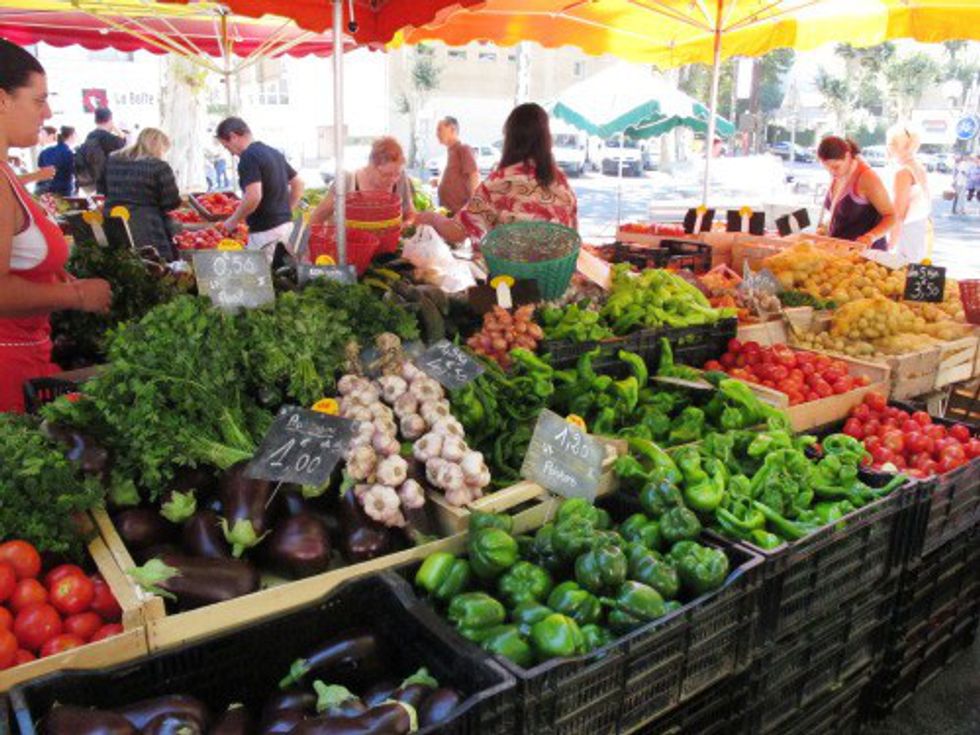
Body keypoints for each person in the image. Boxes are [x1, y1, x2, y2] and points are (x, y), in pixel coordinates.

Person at [0, 40, 111, 413]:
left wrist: (51, 277)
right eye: (38, 100)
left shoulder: (6, 174)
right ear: (2, 100)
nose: (46, 113)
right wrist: (75, 296)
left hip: (25, 357)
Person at [415, 103, 578, 245]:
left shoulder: (499, 181)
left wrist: (431, 218)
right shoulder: (561, 181)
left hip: (509, 271)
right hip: (557, 270)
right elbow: (573, 235)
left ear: (510, 139)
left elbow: (456, 232)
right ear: (546, 139)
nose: (437, 134)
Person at [215, 117, 304, 259]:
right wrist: (286, 211)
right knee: (283, 270)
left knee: (264, 272)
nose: (230, 153)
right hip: (286, 228)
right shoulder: (273, 152)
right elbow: (298, 183)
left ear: (233, 137)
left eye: (227, 147)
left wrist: (232, 221)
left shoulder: (248, 157)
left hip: (265, 233)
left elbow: (254, 196)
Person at [104, 128, 182, 261]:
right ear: (159, 146)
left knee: (118, 262)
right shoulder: (159, 166)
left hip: (113, 219)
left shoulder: (112, 160)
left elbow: (102, 188)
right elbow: (171, 202)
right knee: (154, 263)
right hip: (146, 225)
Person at [311, 136, 416, 225]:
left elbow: (410, 213)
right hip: (349, 243)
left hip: (390, 242)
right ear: (371, 165)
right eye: (386, 175)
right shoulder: (347, 181)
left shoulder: (401, 179)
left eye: (397, 174)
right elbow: (317, 217)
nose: (393, 180)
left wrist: (407, 224)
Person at [817, 136, 894, 249]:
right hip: (842, 250)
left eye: (836, 167)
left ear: (848, 156)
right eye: (827, 168)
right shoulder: (838, 174)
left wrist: (870, 237)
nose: (832, 172)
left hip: (866, 252)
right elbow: (838, 214)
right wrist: (825, 228)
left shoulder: (867, 178)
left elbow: (891, 216)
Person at [885, 125, 931, 263]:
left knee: (902, 272)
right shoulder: (919, 167)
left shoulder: (903, 172)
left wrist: (891, 242)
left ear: (894, 146)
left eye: (889, 143)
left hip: (906, 232)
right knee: (916, 270)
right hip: (920, 229)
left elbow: (898, 212)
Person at [75, 107, 126, 194]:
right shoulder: (110, 139)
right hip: (107, 181)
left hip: (92, 180)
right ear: (110, 119)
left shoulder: (90, 136)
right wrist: (116, 129)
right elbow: (123, 141)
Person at [436, 116, 479, 214]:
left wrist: (473, 206)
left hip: (460, 212)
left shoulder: (463, 148)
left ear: (452, 129)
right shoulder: (450, 151)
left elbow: (474, 175)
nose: (437, 134)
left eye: (439, 130)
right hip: (447, 211)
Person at [37, 125, 75, 196]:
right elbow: (73, 170)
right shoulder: (68, 152)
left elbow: (41, 169)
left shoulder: (44, 152)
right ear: (71, 136)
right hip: (64, 189)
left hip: (46, 189)